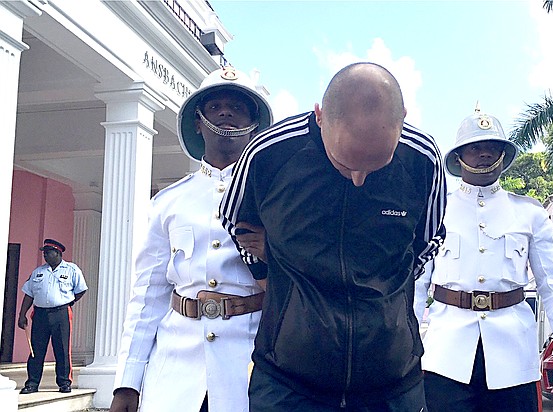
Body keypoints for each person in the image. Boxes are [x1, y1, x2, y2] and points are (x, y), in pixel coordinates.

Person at [219, 62, 447, 411]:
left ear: (402, 119)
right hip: (288, 383)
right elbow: (236, 221)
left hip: (392, 382)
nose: (358, 179)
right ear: (320, 116)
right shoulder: (269, 153)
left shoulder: (423, 159)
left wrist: (383, 295)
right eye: (344, 164)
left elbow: (428, 239)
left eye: (375, 166)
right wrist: (270, 272)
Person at [109, 65, 273, 412]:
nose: (226, 112)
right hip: (176, 367)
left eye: (238, 107)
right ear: (198, 122)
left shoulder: (275, 196)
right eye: (214, 107)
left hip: (249, 363)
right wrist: (127, 382)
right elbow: (148, 294)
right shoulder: (168, 201)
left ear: (254, 124)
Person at [414, 108, 553, 412]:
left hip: (513, 357)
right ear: (458, 157)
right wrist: (407, 351)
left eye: (493, 147)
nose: (484, 154)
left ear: (504, 156)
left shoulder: (529, 213)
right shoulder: (437, 209)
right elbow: (416, 284)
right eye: (476, 147)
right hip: (446, 357)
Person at [17, 238, 88, 394]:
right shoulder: (38, 272)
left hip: (61, 314)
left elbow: (81, 289)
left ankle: (64, 383)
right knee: (36, 350)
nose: (45, 256)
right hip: (40, 314)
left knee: (62, 349)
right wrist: (22, 314)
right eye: (45, 253)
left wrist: (68, 302)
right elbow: (29, 294)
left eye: (48, 252)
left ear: (58, 253)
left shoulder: (72, 270)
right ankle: (32, 383)